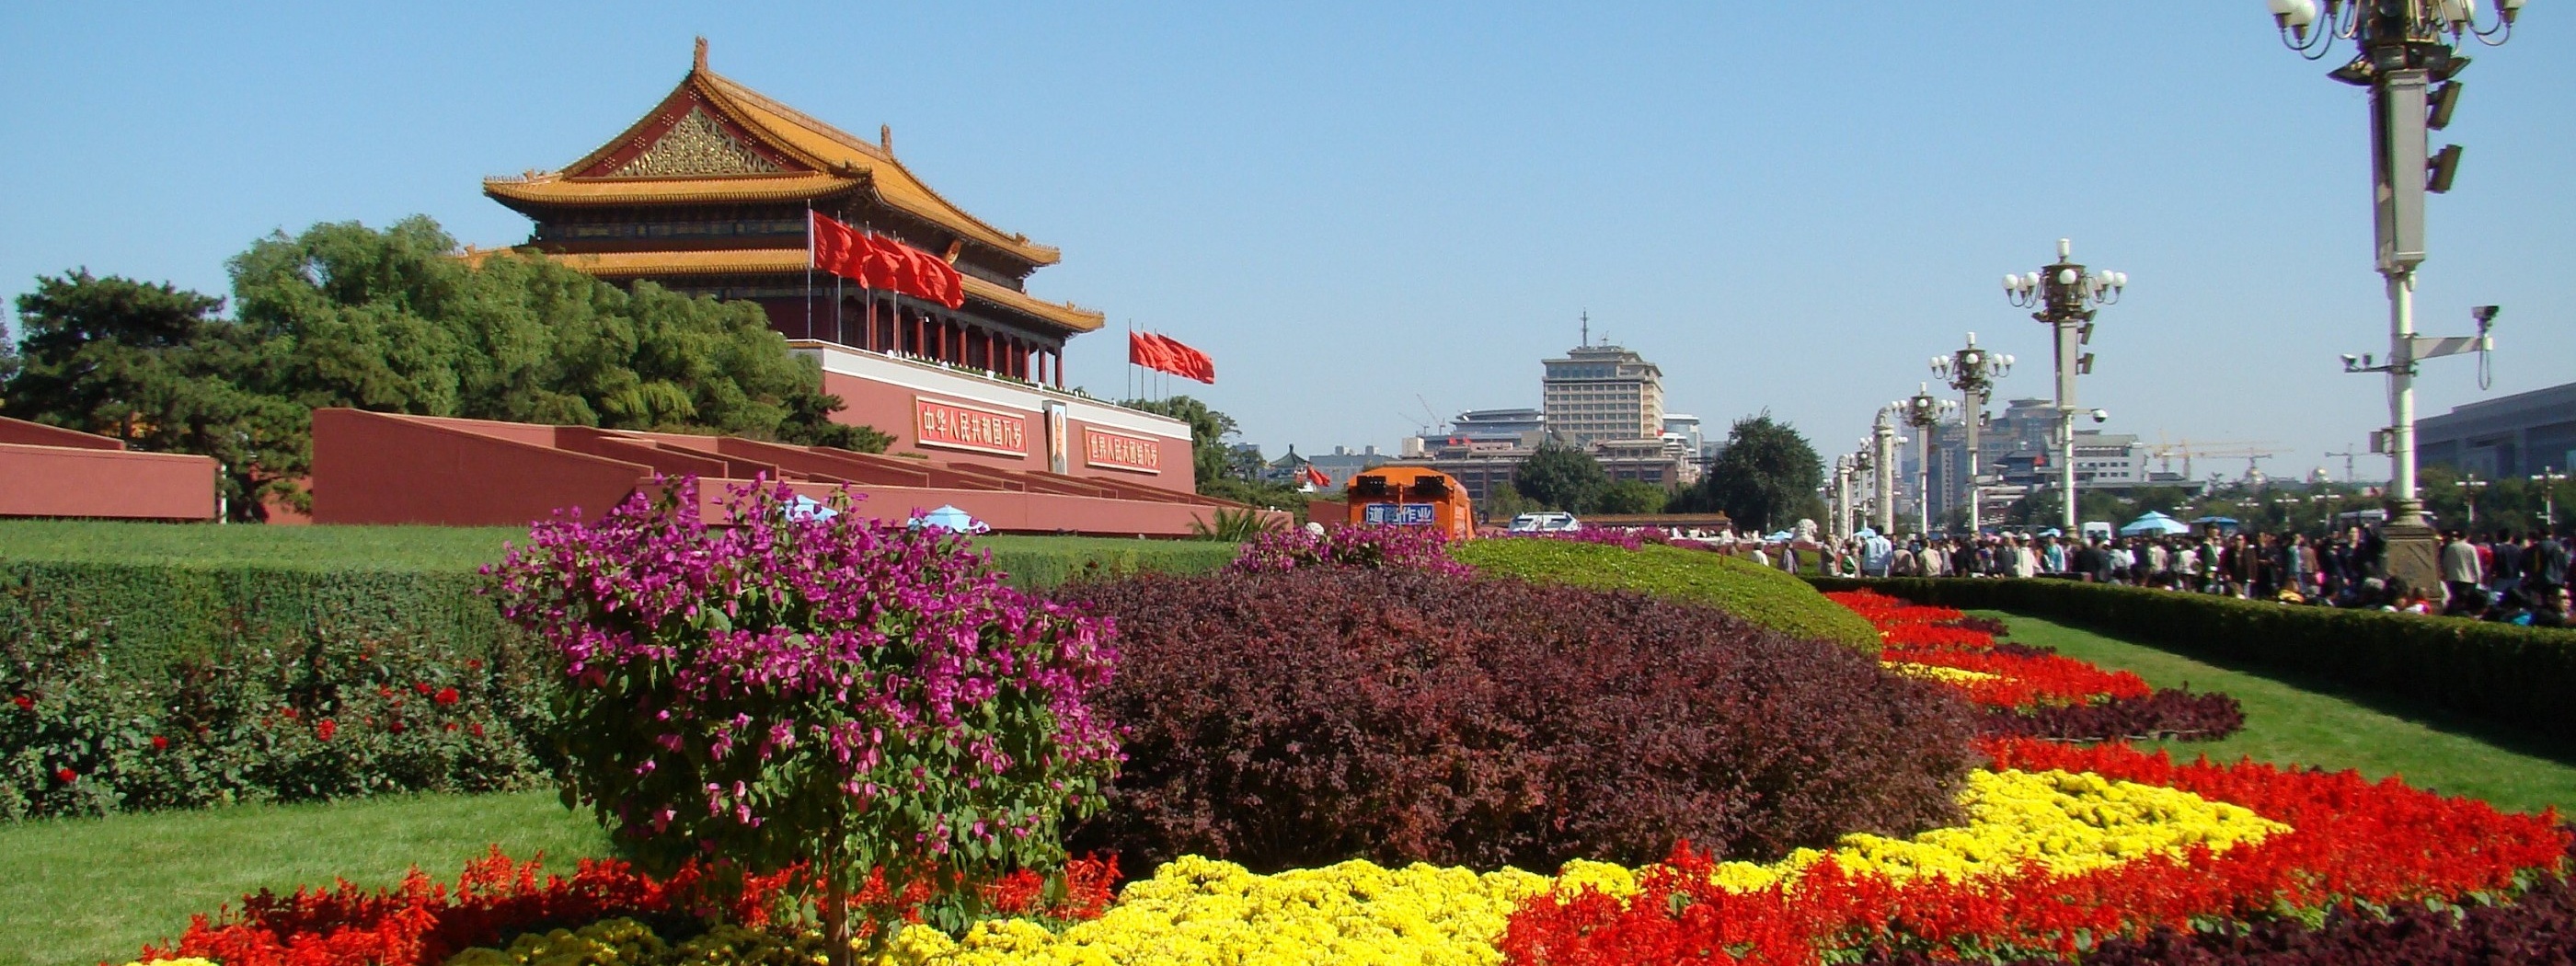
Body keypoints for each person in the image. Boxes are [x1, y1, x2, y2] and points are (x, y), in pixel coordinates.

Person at [2439, 529, 2484, 612]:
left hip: (2453, 578)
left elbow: (2445, 563)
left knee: (2455, 600)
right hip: (2469, 579)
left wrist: (2445, 575)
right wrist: (2478, 579)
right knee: (2466, 602)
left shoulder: (2451, 547)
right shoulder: (2471, 548)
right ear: (2466, 537)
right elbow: (2475, 564)